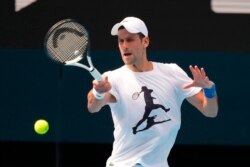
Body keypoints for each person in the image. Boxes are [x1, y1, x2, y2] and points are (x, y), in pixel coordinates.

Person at [87, 16, 218, 167]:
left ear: (145, 42)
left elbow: (210, 111)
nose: (124, 46)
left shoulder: (172, 72)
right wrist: (98, 92)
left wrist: (209, 89)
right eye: (120, 41)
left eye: (130, 40)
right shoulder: (112, 78)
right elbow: (93, 107)